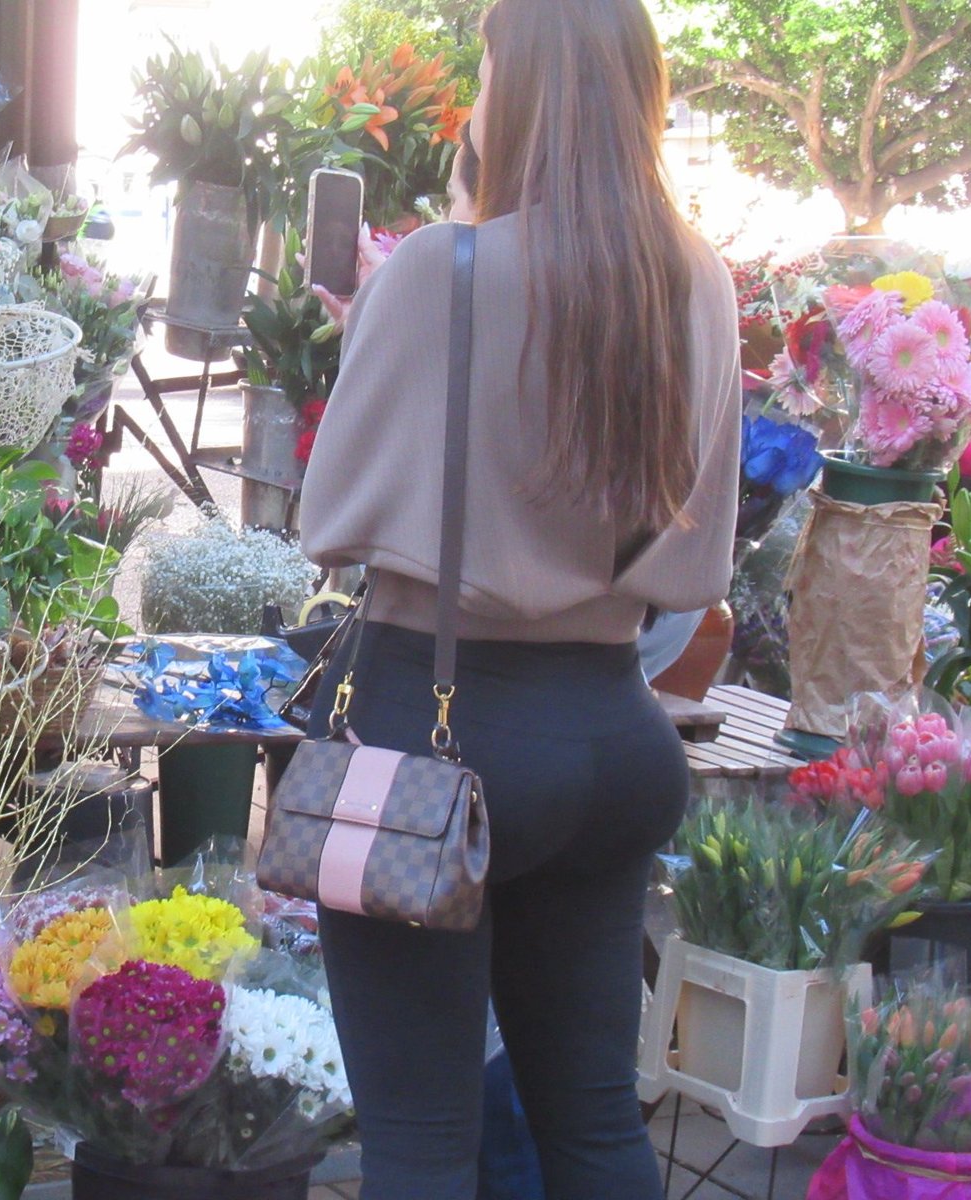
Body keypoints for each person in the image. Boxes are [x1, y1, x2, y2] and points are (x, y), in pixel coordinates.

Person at [297, 0, 742, 1195]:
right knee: (594, 1121)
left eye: (484, 71)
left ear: (519, 92)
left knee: (419, 1136)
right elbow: (691, 574)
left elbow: (326, 524)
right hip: (611, 734)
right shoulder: (692, 280)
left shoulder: (437, 274)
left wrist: (417, 299)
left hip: (438, 738)